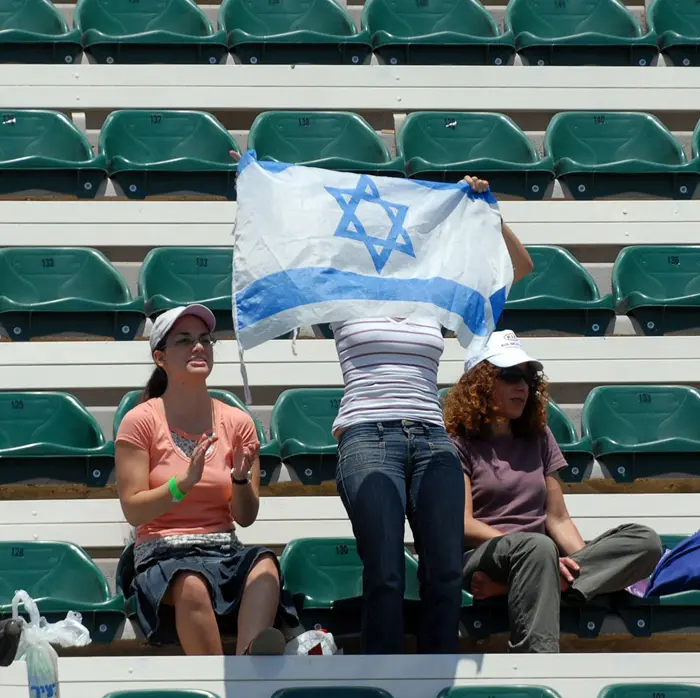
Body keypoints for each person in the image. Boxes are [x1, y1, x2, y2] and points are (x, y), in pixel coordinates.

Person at [332, 176, 534, 654]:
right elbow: (284, 248)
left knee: (443, 570)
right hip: (367, 435)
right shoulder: (341, 289)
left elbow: (519, 269)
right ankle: (382, 685)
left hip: (431, 438)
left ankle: (434, 682)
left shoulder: (435, 293)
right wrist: (259, 184)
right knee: (384, 570)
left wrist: (485, 213)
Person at [444, 329, 663, 653]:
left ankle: (513, 588)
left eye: (529, 377)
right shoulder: (457, 441)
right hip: (483, 556)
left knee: (644, 541)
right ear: (481, 382)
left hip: (540, 557)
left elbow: (558, 519)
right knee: (537, 548)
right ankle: (539, 667)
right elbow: (462, 524)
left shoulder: (539, 435)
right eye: (510, 375)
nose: (523, 386)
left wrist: (574, 564)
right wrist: (535, 550)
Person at [115, 304, 298, 655]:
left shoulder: (238, 423)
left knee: (264, 567)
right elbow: (134, 510)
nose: (199, 347)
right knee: (191, 585)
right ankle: (216, 681)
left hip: (223, 549)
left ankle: (247, 666)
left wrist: (241, 480)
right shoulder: (139, 421)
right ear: (160, 357)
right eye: (184, 340)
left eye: (205, 340)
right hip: (161, 553)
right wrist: (181, 484)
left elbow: (244, 517)